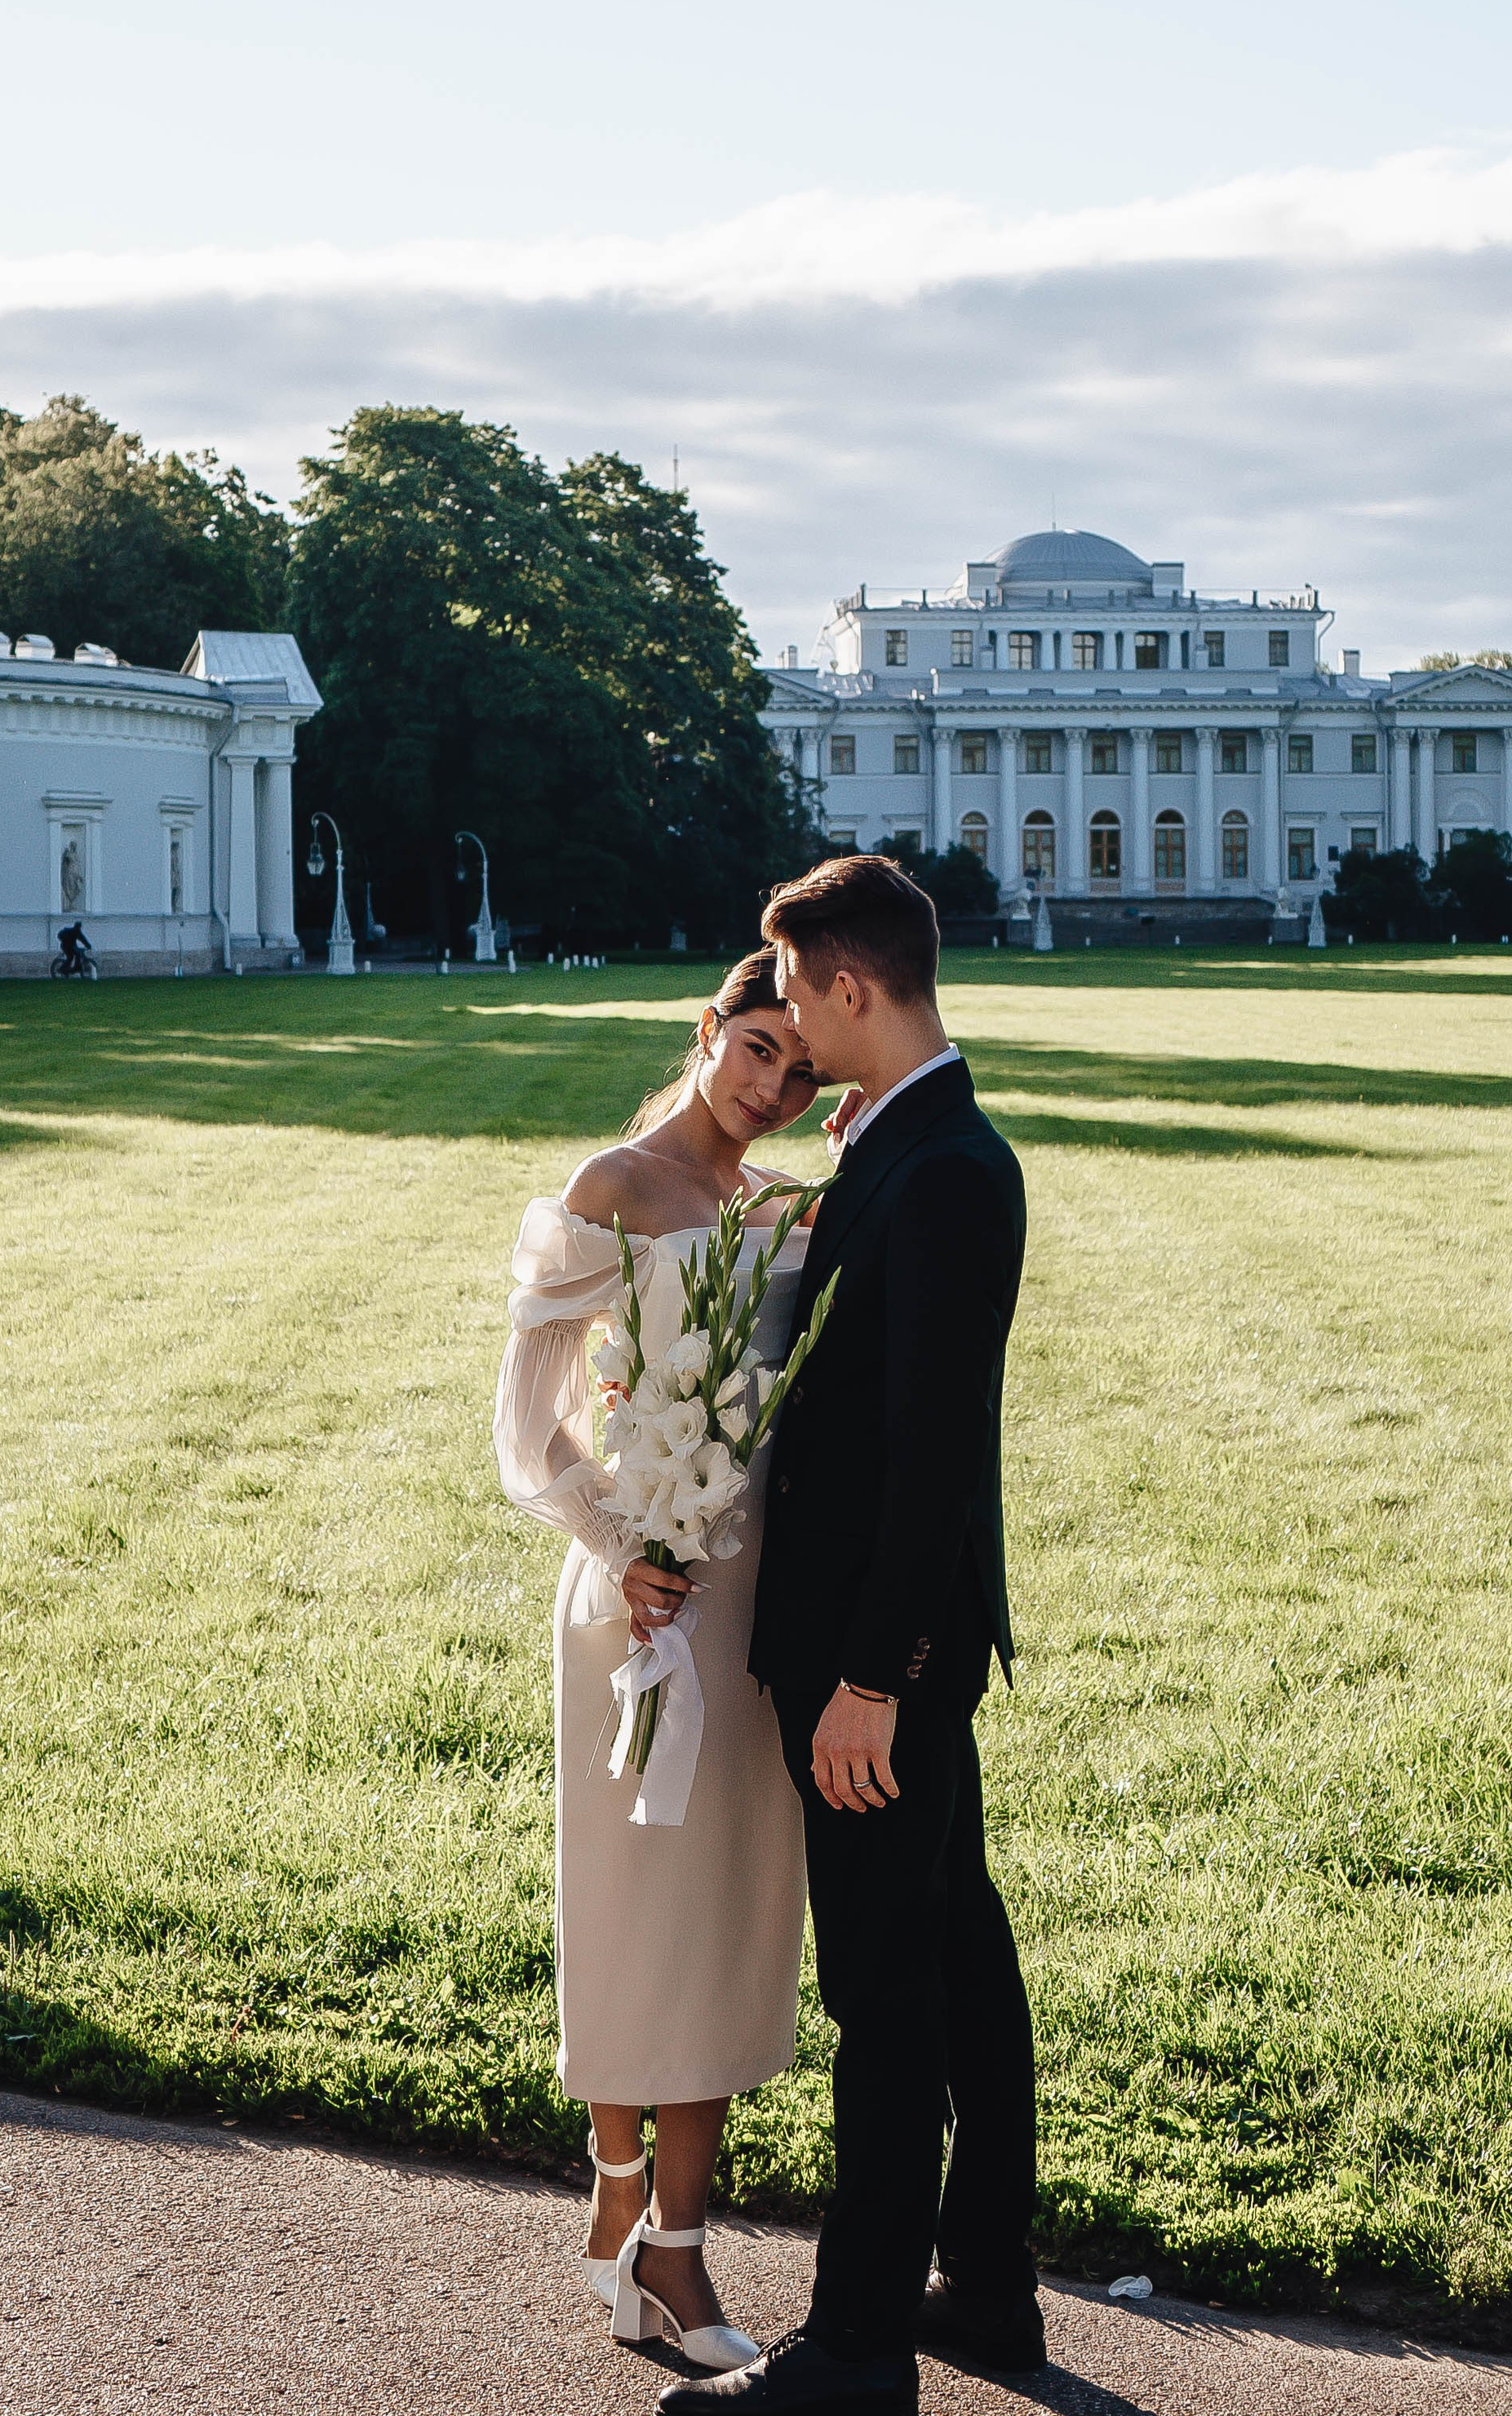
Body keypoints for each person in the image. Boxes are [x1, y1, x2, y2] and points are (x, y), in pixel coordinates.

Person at [661, 855, 1040, 2416]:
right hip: (883, 1644)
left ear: (853, 988)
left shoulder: (945, 1167)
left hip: (882, 1659)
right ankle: (989, 2291)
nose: (794, 1032)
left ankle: (862, 2345)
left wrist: (872, 1681)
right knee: (957, 1956)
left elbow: (933, 1449)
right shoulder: (907, 1141)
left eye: (803, 999)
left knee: (886, 1996)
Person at [492, 948, 824, 2374]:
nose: (771, 1088)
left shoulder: (780, 1213)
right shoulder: (613, 1189)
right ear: (710, 1028)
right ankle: (640, 2203)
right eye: (756, 1049)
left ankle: (660, 2229)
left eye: (801, 1072)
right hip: (632, 1602)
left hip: (749, 1609)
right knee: (637, 1910)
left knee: (723, 1925)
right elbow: (528, 1424)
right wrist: (619, 1545)